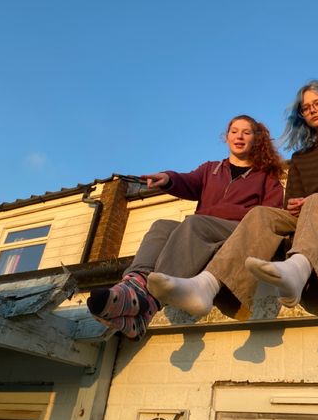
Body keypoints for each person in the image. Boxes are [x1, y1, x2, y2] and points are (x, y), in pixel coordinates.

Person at [147, 80, 318, 319]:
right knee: (261, 213)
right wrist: (295, 205)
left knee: (317, 201)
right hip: (310, 216)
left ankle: (297, 270)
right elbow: (289, 202)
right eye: (306, 108)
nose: (312, 109)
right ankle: (206, 286)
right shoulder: (301, 157)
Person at [87, 114, 284, 339]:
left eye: (246, 132)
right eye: (234, 131)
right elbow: (188, 181)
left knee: (194, 222)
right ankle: (136, 285)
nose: (239, 136)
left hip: (238, 233)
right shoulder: (211, 169)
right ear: (226, 137)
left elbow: (270, 216)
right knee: (162, 226)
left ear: (256, 139)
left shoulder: (266, 176)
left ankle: (149, 299)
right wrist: (168, 178)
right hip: (202, 230)